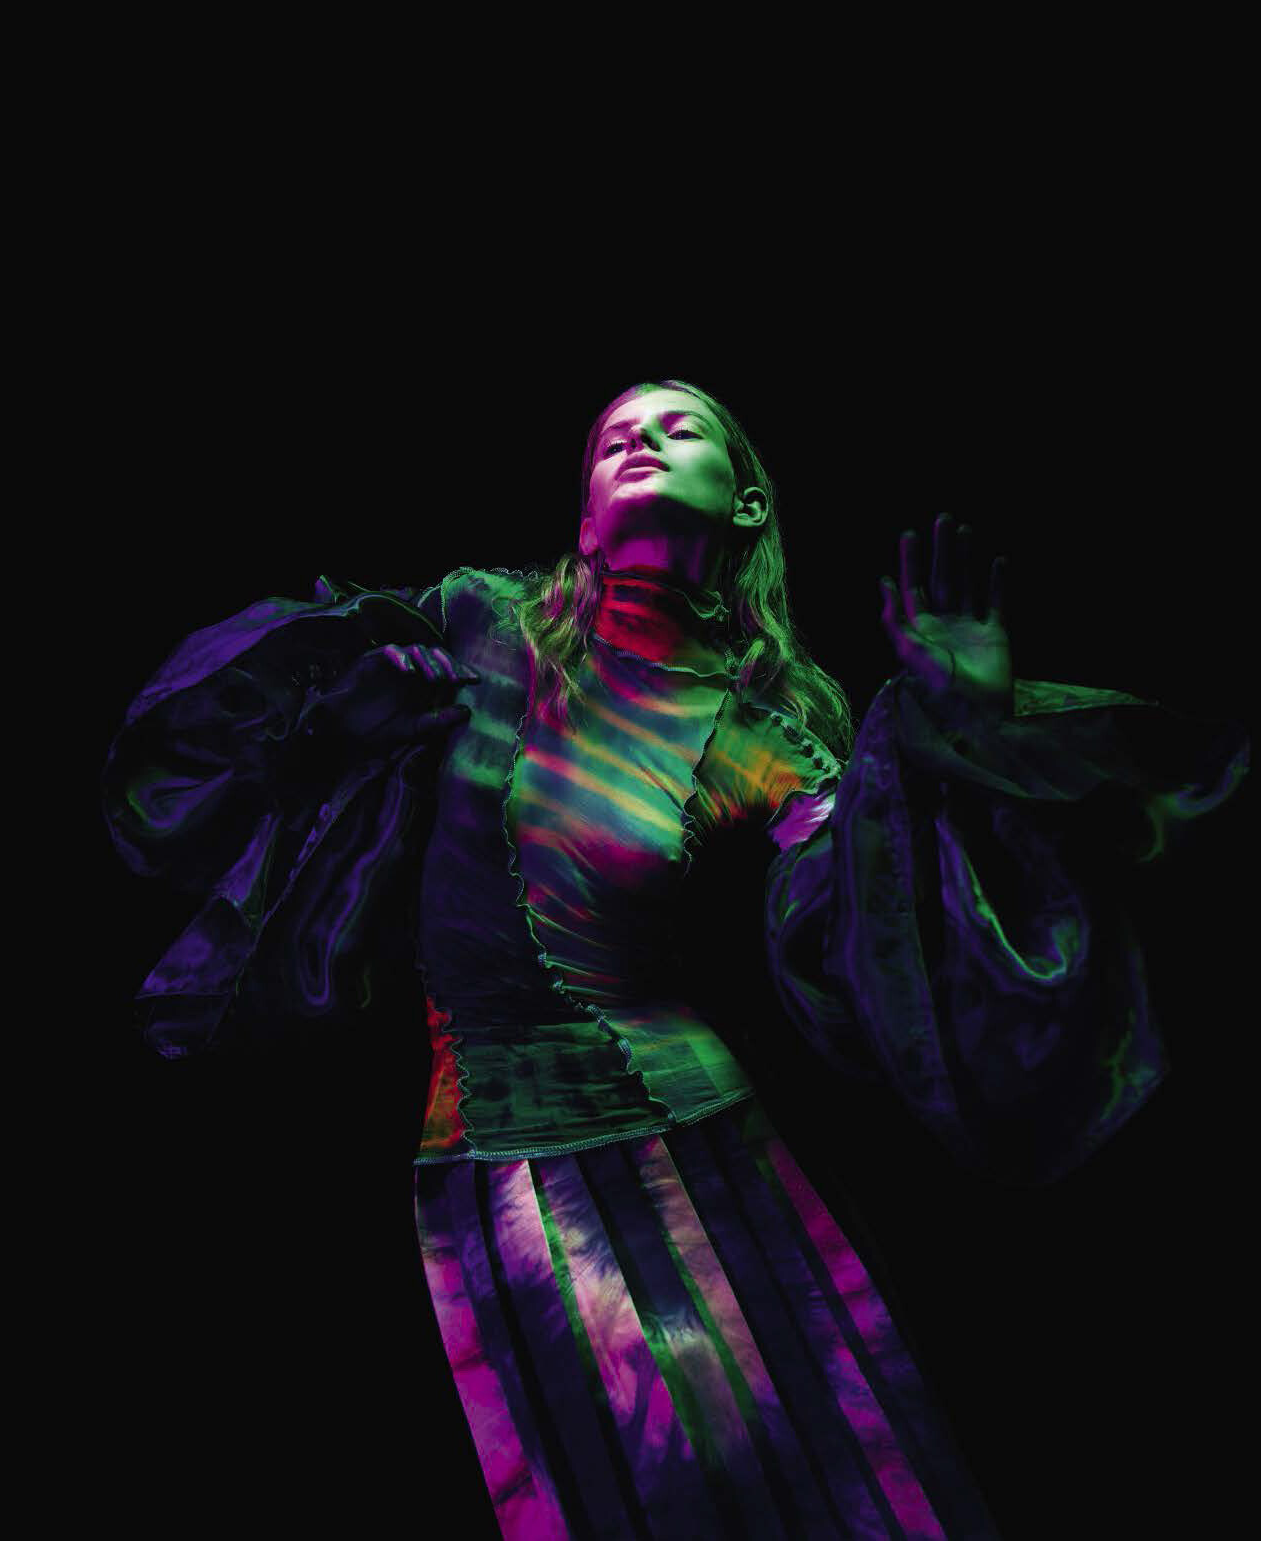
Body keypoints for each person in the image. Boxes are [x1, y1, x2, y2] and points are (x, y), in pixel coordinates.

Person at [102, 378, 1250, 1539]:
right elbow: (194, 760)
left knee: (826, 1480)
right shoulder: (477, 622)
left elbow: (874, 925)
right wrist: (321, 733)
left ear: (744, 500)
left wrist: (960, 727)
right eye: (613, 438)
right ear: (586, 520)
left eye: (677, 427)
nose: (640, 441)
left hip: (713, 1148)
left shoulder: (769, 726)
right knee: (631, 1493)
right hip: (502, 1155)